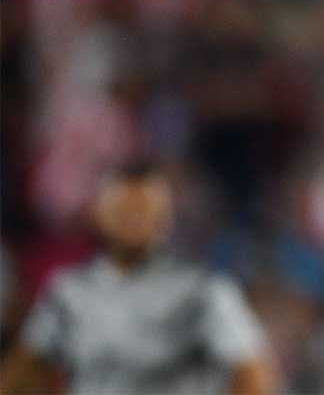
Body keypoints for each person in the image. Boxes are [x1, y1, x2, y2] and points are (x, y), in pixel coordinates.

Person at [0, 161, 276, 395]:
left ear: (166, 218)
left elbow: (253, 374)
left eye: (143, 211)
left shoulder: (204, 291)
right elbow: (21, 372)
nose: (133, 221)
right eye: (123, 210)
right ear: (99, 213)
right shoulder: (69, 292)